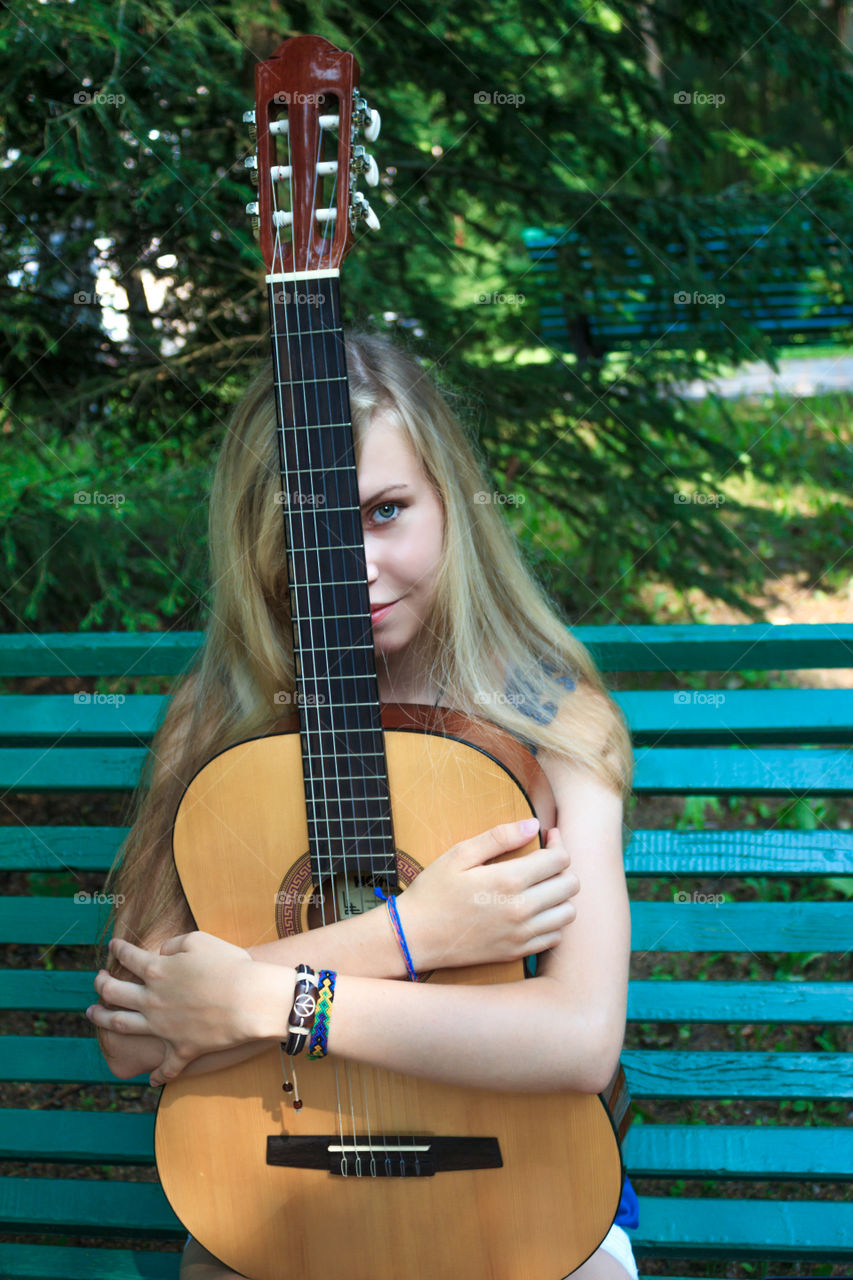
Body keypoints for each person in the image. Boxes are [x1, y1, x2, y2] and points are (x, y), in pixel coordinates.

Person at [88, 331, 638, 1280]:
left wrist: (262, 999)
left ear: (451, 504)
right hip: (268, 1197)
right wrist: (410, 934)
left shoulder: (551, 722)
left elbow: (577, 1040)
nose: (350, 566)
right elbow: (136, 1036)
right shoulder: (216, 721)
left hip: (526, 1197)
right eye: (309, 530)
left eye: (386, 512)